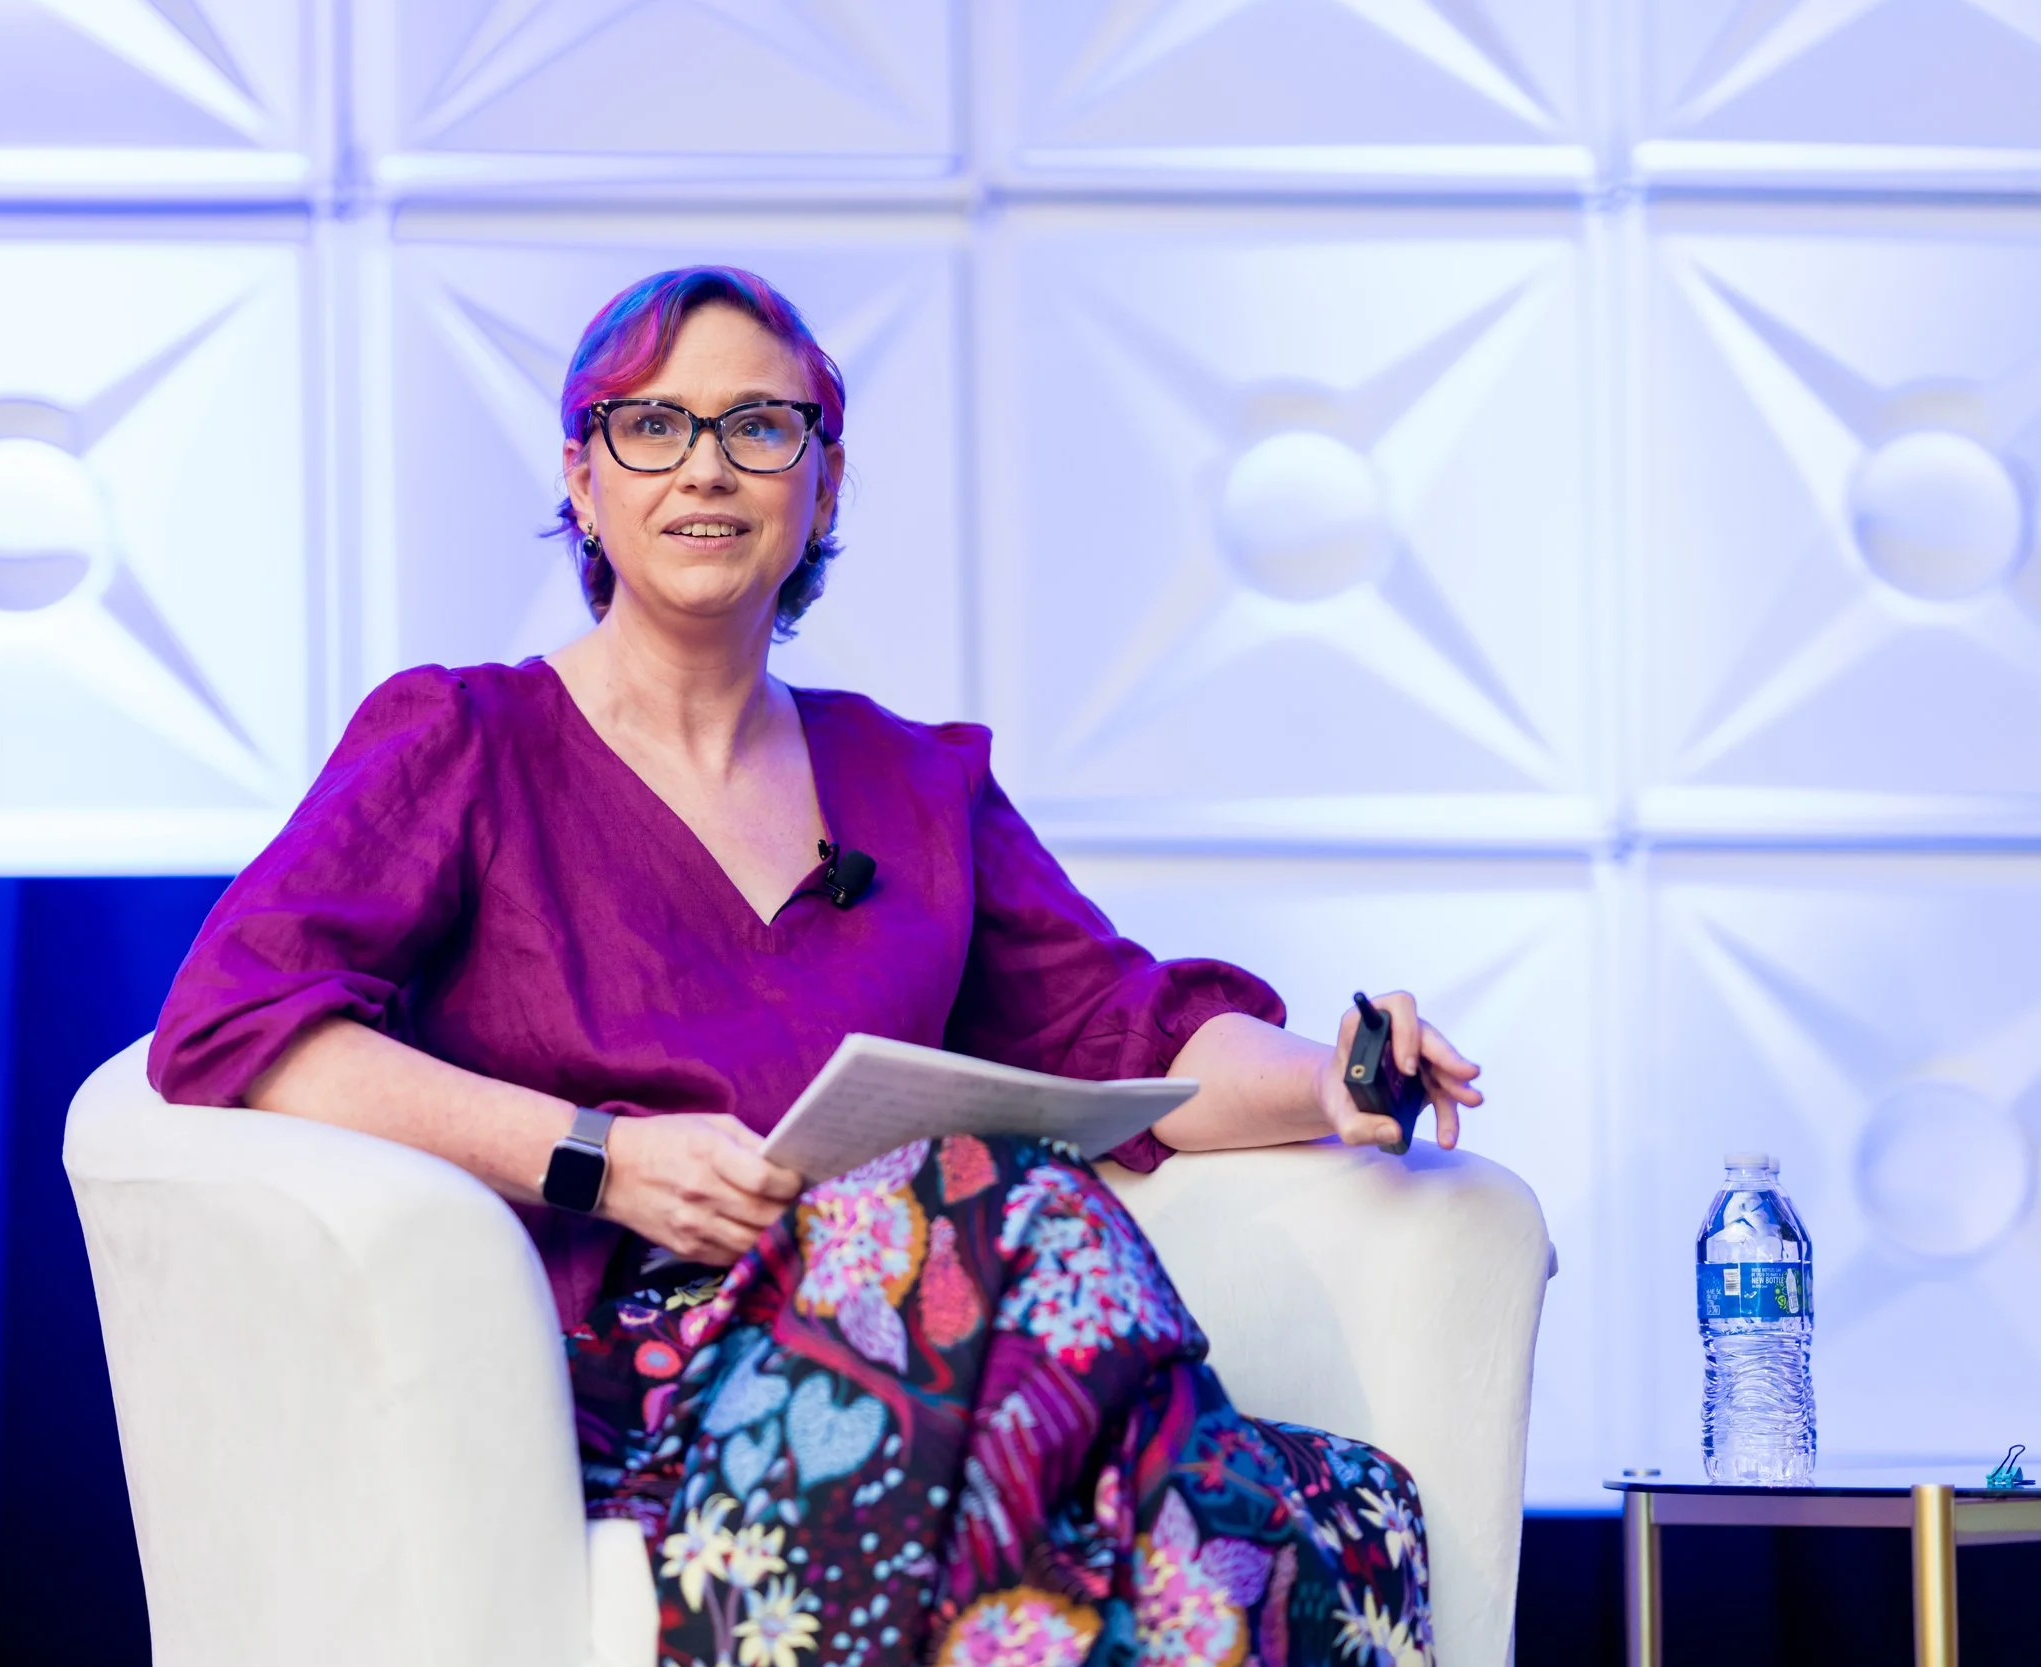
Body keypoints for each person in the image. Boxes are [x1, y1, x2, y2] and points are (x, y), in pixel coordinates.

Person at [150, 266, 1484, 1667]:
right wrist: (601, 1155)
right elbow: (236, 1019)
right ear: (584, 480)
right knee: (1028, 1232)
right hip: (651, 1375)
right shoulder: (464, 741)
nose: (706, 468)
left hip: (954, 1362)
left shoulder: (918, 782)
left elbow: (1123, 1030)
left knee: (1338, 1487)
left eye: (760, 429)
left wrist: (1331, 1077)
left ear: (824, 484)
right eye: (651, 426)